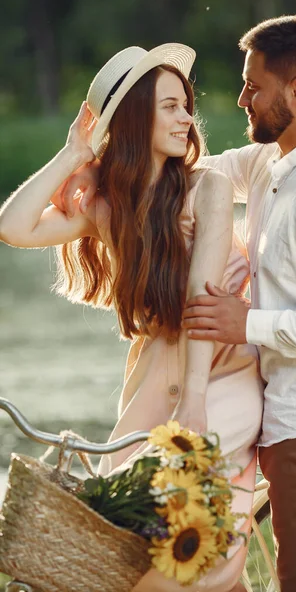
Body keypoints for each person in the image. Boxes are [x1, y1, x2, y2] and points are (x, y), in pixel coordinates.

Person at [44, 16, 296, 591]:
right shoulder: (267, 164)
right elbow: (179, 176)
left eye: (254, 87)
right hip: (285, 419)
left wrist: (247, 323)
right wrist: (96, 165)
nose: (240, 98)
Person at [0, 44, 264, 592]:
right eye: (169, 106)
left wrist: (194, 401)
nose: (187, 118)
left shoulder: (207, 188)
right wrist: (74, 153)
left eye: (185, 105)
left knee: (194, 532)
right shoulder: (108, 210)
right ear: (135, 116)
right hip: (154, 378)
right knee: (134, 530)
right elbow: (14, 226)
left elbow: (203, 297)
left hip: (223, 375)